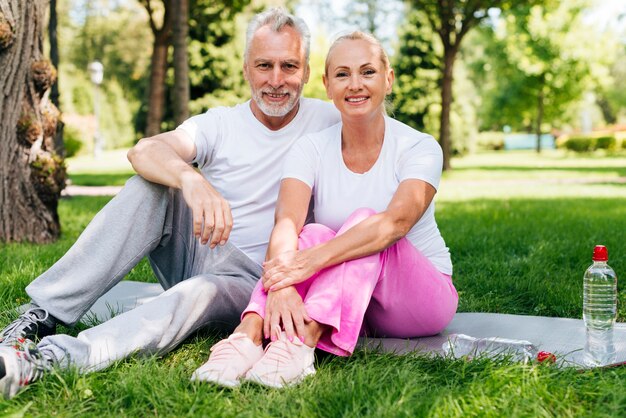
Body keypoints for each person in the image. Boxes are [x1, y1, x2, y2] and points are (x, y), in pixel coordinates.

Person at [0, 7, 340, 400]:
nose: (276, 80)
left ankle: (49, 360)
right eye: (264, 65)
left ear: (308, 72)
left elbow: (383, 152)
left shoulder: (330, 121)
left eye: (289, 66)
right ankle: (41, 315)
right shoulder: (220, 123)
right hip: (203, 249)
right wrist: (190, 178)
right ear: (247, 68)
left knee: (198, 291)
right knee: (151, 186)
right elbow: (145, 151)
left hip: (257, 283)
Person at [192, 31, 458, 388]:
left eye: (367, 72)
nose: (355, 85)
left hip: (420, 301)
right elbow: (286, 222)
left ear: (388, 79)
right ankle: (246, 337)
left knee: (365, 224)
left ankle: (300, 344)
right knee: (312, 233)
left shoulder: (419, 147)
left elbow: (394, 224)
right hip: (353, 300)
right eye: (343, 74)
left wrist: (309, 263)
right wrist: (283, 287)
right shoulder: (311, 148)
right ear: (327, 85)